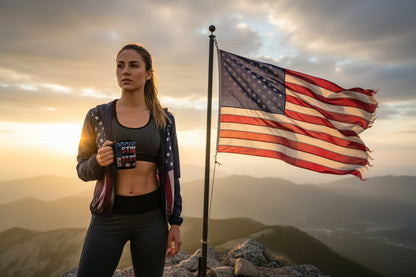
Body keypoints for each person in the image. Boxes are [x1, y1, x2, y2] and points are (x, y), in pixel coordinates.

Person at [76, 43, 183, 277]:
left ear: (148, 74)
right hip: (108, 218)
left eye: (134, 65)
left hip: (152, 219)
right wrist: (98, 161)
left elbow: (173, 174)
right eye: (120, 66)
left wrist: (175, 222)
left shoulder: (165, 120)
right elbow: (82, 169)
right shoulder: (97, 116)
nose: (125, 71)